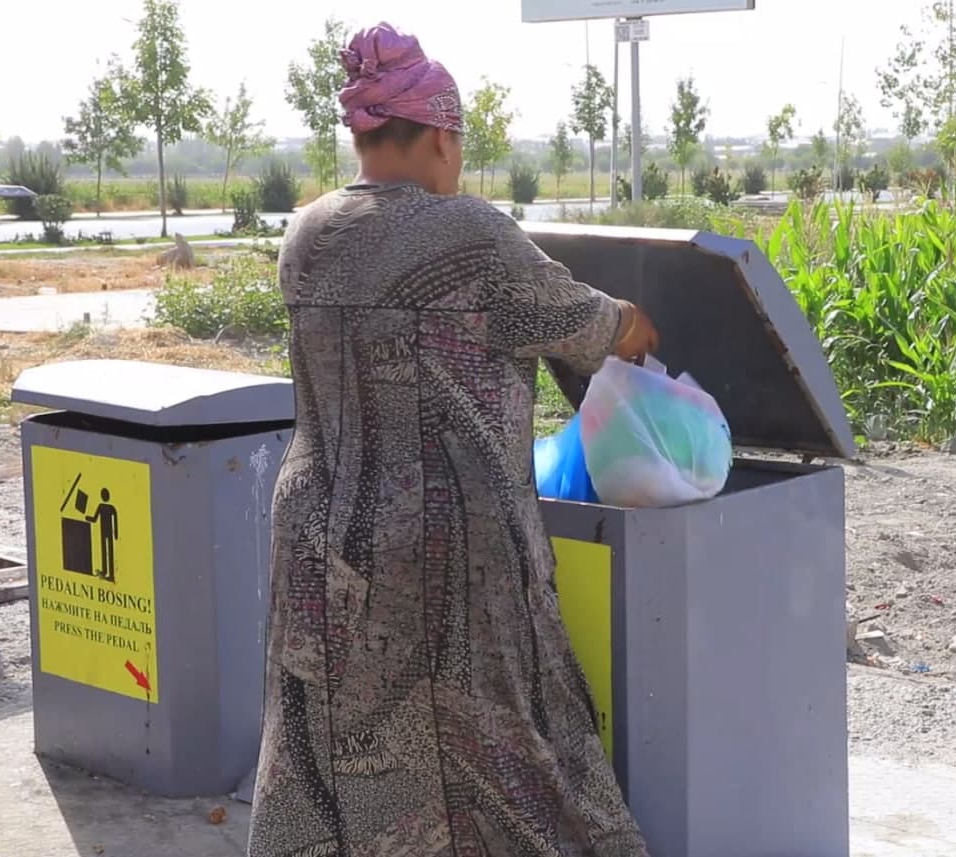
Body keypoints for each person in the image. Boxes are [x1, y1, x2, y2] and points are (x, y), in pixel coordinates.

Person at [248, 22, 659, 857]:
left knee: (323, 750)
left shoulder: (306, 234)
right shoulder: (469, 235)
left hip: (317, 537)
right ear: (440, 136)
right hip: (444, 556)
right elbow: (597, 327)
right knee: (510, 765)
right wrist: (639, 329)